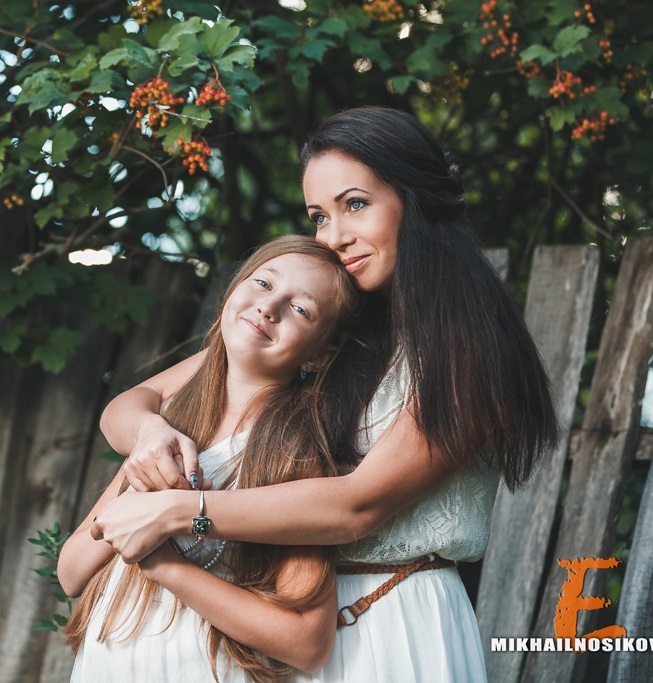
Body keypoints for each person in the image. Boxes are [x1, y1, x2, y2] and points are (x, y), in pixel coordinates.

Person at [89, 106, 559, 682]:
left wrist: (180, 512)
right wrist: (153, 431)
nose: (333, 237)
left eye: (354, 204)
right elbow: (130, 405)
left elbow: (355, 506)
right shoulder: (326, 327)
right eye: (318, 216)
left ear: (416, 198)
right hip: (278, 622)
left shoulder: (473, 346)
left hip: (391, 619)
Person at [59, 235, 384, 682]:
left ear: (319, 354)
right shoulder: (171, 429)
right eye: (263, 283)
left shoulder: (292, 457)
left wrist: (165, 563)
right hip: (108, 663)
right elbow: (72, 571)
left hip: (202, 668)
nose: (270, 307)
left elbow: (307, 644)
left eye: (301, 309)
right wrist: (139, 494)